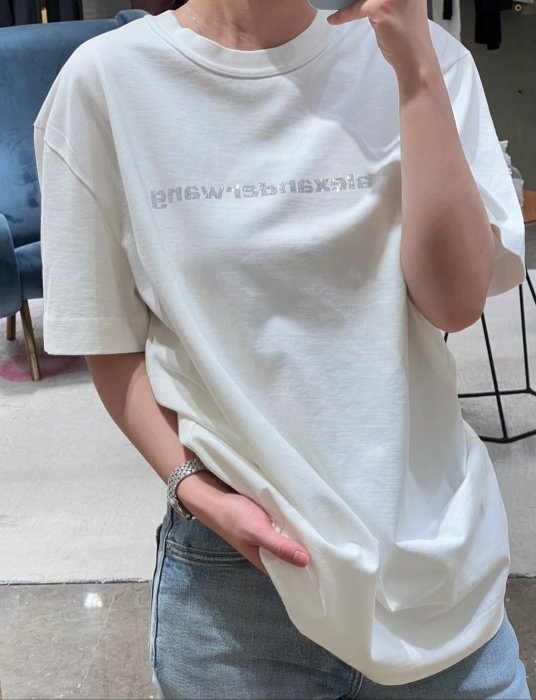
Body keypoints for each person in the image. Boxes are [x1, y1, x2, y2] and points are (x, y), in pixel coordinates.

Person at [34, 0, 532, 698]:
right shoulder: (107, 82)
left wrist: (416, 71)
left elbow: (454, 302)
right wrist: (195, 491)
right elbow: (108, 342)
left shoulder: (431, 60)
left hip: (436, 565)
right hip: (239, 588)